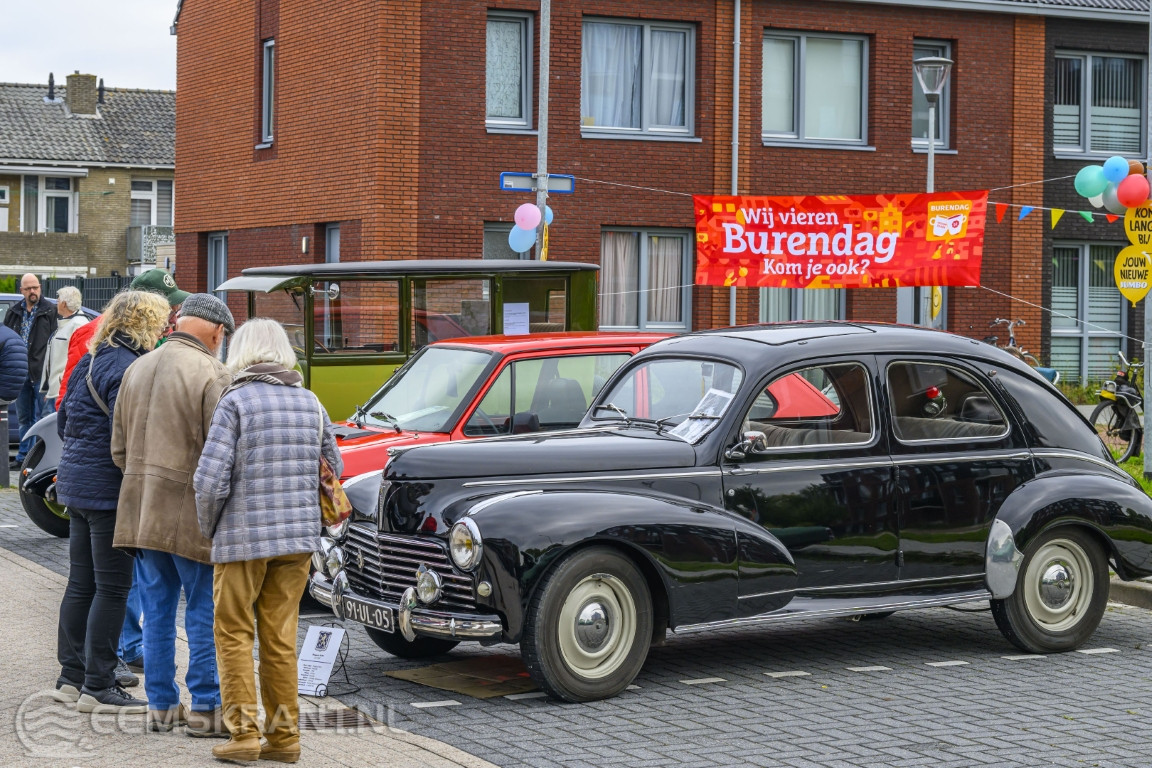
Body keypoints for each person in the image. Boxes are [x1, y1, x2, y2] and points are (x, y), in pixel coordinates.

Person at [195, 318, 342, 764]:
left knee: (234, 633)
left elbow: (209, 481)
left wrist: (210, 528)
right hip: (297, 541)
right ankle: (284, 739)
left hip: (242, 540)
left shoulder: (236, 401)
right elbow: (332, 467)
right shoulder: (310, 402)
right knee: (280, 637)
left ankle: (243, 736)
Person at [111, 294, 234, 737]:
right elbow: (220, 458)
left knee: (157, 611)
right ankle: (206, 706)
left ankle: (161, 706)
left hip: (142, 509)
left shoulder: (136, 367)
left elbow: (119, 450)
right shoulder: (212, 372)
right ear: (217, 333)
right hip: (190, 513)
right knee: (203, 610)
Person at [53, 290, 170, 714]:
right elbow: (131, 435)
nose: (162, 330)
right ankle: (99, 684)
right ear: (144, 324)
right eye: (159, 322)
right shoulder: (130, 367)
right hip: (108, 490)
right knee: (113, 587)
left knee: (80, 583)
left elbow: (64, 420)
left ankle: (70, 677)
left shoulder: (91, 358)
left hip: (76, 486)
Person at [56, 268, 188, 409]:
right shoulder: (91, 333)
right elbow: (68, 399)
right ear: (144, 310)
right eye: (168, 312)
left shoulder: (162, 335)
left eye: (176, 311)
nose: (173, 320)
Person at [5, 273, 57, 468]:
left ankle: (43, 460)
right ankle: (23, 457)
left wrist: (51, 375)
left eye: (35, 287)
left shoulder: (50, 311)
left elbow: (55, 344)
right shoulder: (14, 312)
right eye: (28, 289)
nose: (32, 291)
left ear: (40, 288)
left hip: (42, 373)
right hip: (20, 373)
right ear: (22, 291)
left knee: (45, 419)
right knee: (24, 418)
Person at [40, 286, 89, 413]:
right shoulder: (68, 323)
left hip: (63, 391)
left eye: (58, 299)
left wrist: (60, 384)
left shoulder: (78, 324)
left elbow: (81, 359)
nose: (56, 302)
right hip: (56, 390)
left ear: (64, 303)